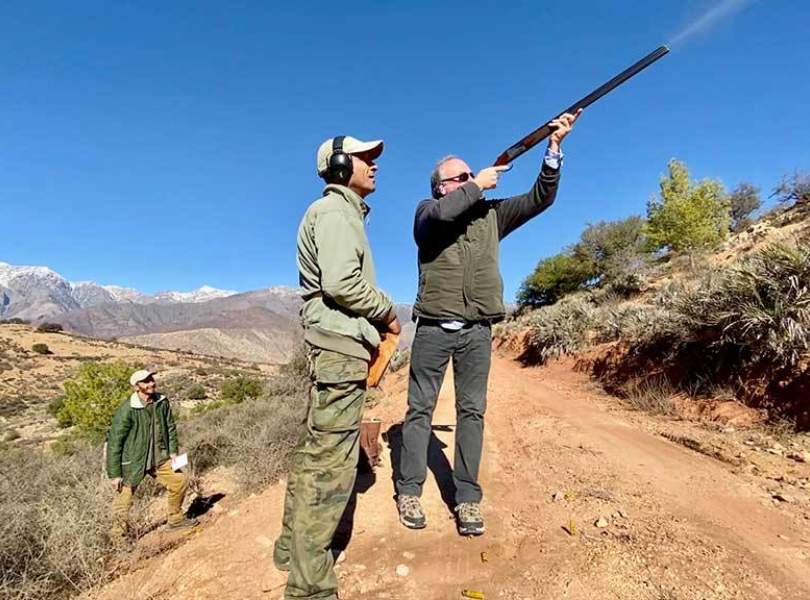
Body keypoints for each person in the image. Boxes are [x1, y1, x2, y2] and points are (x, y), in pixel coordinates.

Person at [396, 110, 581, 536]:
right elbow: (441, 217)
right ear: (441, 187)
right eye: (457, 179)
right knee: (419, 410)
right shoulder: (427, 213)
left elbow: (540, 199)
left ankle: (466, 500)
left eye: (468, 177)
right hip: (432, 330)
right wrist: (477, 182)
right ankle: (409, 489)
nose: (466, 182)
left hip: (478, 331)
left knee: (472, 413)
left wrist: (553, 148)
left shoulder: (492, 215)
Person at [273, 135, 401, 600]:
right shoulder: (335, 213)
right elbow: (343, 283)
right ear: (341, 164)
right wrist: (388, 314)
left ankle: (290, 548)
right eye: (366, 158)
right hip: (340, 347)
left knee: (315, 452)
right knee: (332, 463)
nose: (374, 166)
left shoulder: (338, 213)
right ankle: (309, 586)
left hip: (332, 346)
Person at [106, 369, 197, 539]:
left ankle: (175, 519)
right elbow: (115, 442)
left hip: (159, 458)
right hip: (133, 461)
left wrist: (172, 451)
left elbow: (170, 427)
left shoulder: (161, 402)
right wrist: (115, 473)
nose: (151, 383)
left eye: (151, 379)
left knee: (180, 481)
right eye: (145, 381)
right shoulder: (127, 410)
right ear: (136, 387)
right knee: (123, 501)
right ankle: (118, 538)